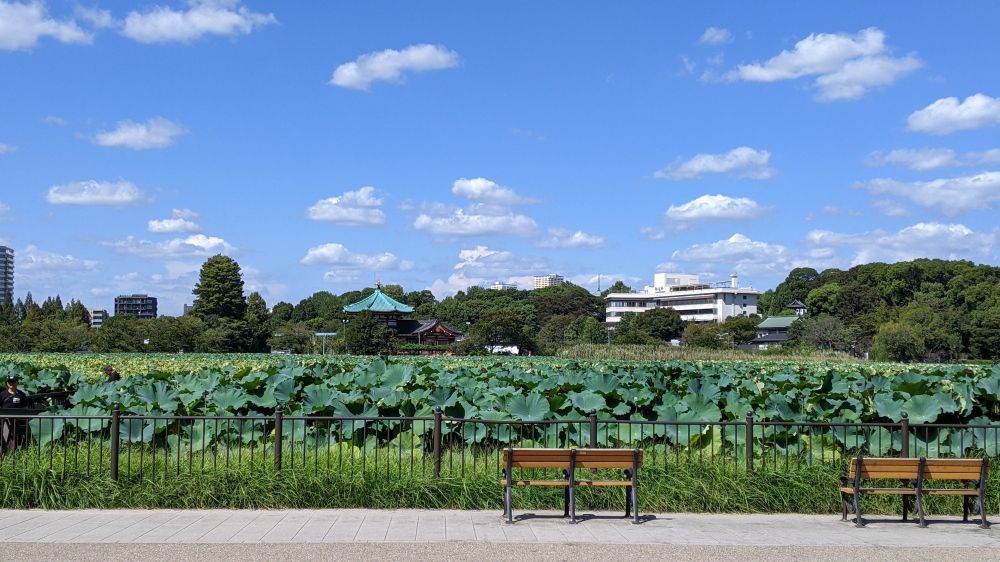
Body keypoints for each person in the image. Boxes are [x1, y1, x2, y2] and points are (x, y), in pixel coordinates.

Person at [1, 375, 30, 454]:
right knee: (4, 436)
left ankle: (14, 453)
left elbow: (25, 408)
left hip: (17, 420)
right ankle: (3, 452)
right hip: (4, 420)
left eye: (13, 382)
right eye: (9, 382)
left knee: (15, 436)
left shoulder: (21, 395)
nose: (11, 384)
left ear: (17, 383)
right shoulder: (2, 394)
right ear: (7, 384)